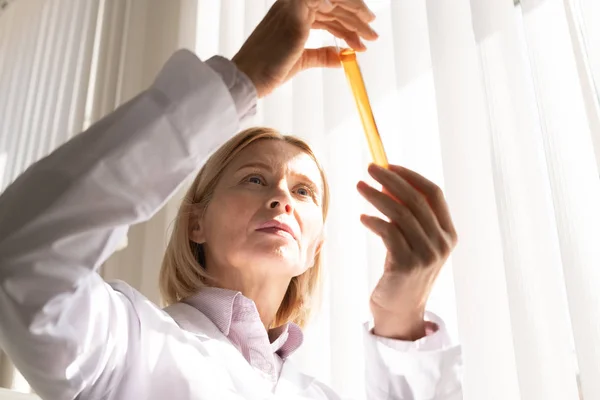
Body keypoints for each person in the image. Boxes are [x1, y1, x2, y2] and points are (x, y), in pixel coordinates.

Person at [0, 0, 462, 399]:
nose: (282, 197)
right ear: (195, 223)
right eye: (255, 180)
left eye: (304, 191)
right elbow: (23, 260)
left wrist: (402, 322)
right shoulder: (127, 342)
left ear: (314, 249)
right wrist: (242, 79)